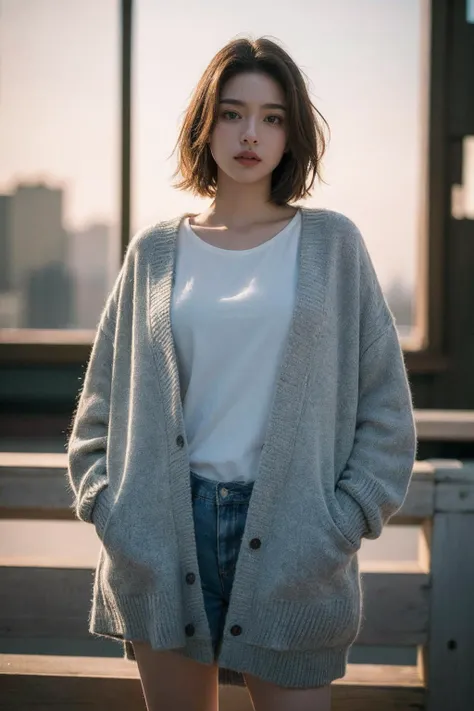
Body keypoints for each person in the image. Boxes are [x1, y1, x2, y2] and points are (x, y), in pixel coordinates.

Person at [67, 36, 417, 711]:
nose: (251, 133)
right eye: (232, 113)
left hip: (295, 542)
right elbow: (97, 410)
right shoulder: (155, 252)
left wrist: (335, 526)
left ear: (293, 133)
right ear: (206, 123)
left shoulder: (334, 246)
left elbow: (386, 413)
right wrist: (117, 516)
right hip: (163, 540)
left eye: (273, 116)